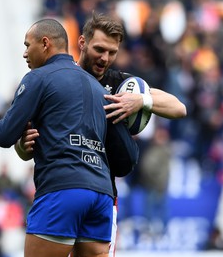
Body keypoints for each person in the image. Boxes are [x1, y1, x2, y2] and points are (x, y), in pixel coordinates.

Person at [15, 13, 187, 257]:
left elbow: (179, 108)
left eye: (112, 52)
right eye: (99, 49)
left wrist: (141, 100)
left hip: (101, 198)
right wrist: (22, 145)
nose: (105, 58)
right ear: (82, 43)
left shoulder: (119, 85)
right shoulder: (56, 80)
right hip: (60, 190)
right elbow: (24, 151)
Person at [0, 18, 138, 257]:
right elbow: (128, 156)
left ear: (45, 43)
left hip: (61, 190)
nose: (25, 53)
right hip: (101, 195)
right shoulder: (99, 89)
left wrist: (17, 135)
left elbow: (3, 135)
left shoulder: (39, 77)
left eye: (28, 45)